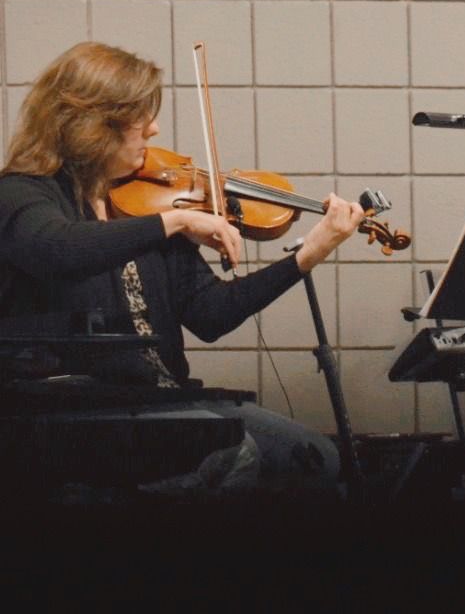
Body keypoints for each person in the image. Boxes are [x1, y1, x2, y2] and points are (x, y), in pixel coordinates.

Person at [0, 41, 365, 501]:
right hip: (82, 410)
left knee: (314, 459)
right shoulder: (22, 195)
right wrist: (173, 222)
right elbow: (56, 249)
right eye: (140, 116)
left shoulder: (141, 201)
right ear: (93, 124)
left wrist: (306, 255)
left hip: (170, 401)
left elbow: (210, 315)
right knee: (237, 454)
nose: (153, 129)